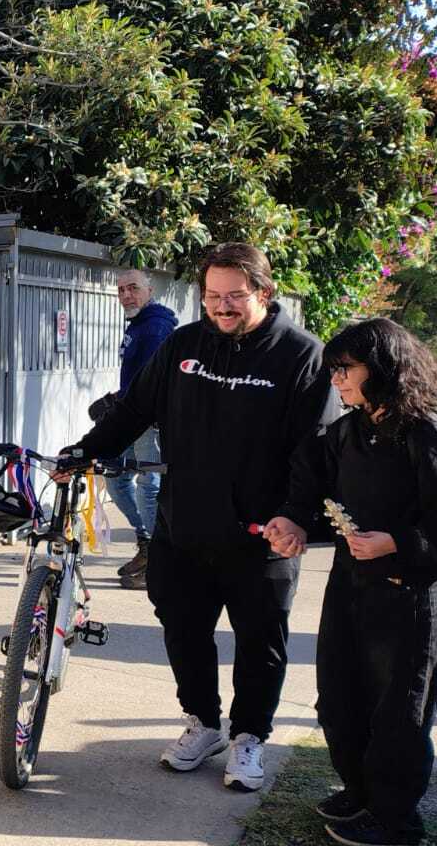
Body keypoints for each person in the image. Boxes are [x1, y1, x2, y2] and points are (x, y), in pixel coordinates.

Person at [57, 242, 335, 793]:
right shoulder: (184, 344)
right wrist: (86, 450)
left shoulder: (301, 355)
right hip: (183, 526)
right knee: (183, 629)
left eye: (235, 296)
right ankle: (203, 722)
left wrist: (297, 515)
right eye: (212, 296)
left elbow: (317, 446)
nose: (222, 306)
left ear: (264, 292)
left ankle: (250, 735)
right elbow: (135, 409)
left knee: (261, 640)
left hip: (262, 535)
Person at [264, 318, 437, 846]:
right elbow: (310, 480)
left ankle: (395, 819)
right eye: (333, 370)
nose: (336, 379)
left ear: (383, 369)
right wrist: (292, 521)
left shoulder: (423, 431)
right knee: (339, 699)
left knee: (399, 711)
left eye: (346, 369)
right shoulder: (351, 429)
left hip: (411, 595)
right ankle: (361, 792)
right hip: (351, 586)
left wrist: (397, 542)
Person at [92, 269, 178, 589]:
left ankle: (158, 560)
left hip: (149, 421)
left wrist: (122, 405)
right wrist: (117, 401)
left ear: (149, 291)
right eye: (121, 290)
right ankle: (146, 543)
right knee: (116, 479)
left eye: (133, 288)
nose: (126, 295)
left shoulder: (155, 327)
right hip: (130, 417)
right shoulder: (139, 324)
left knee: (148, 485)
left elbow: (152, 381)